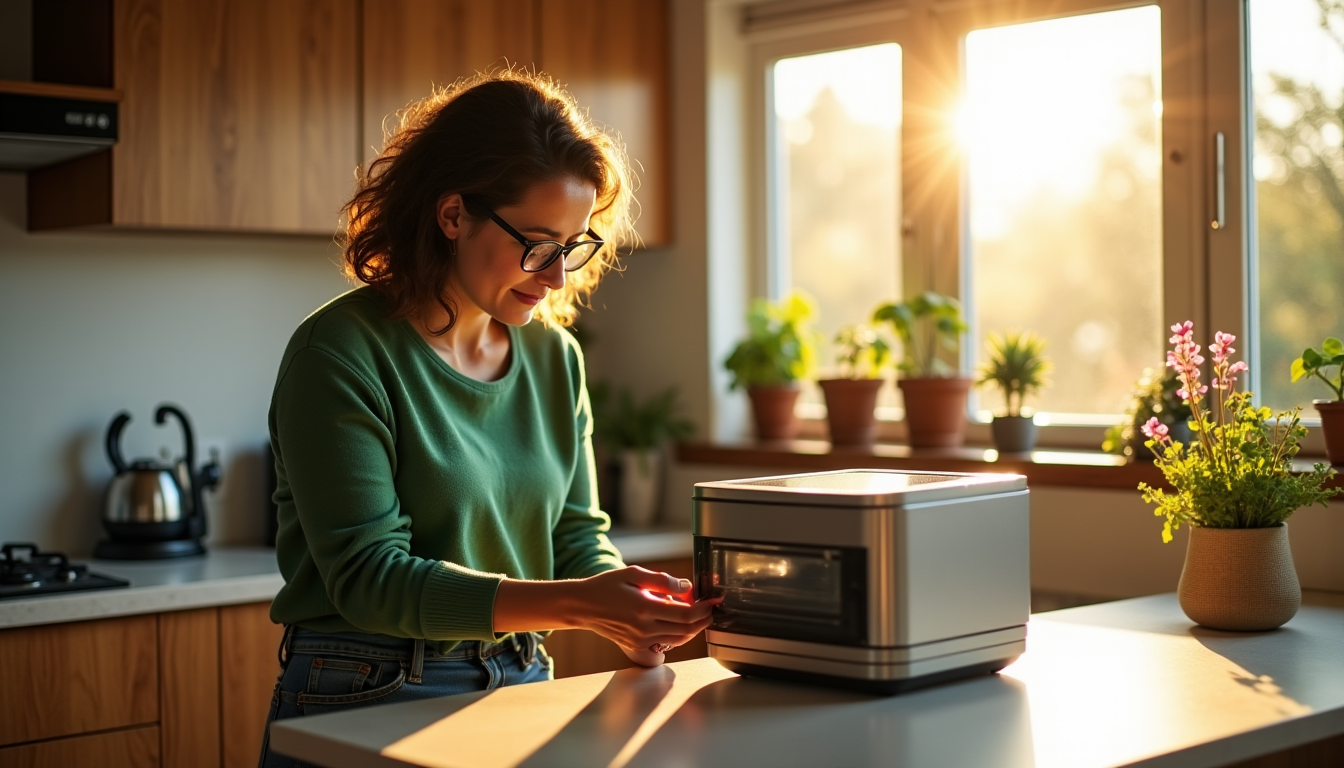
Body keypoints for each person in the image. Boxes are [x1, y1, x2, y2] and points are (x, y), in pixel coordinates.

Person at [257, 70, 716, 767]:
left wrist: (633, 609)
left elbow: (572, 534)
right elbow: (370, 577)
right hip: (367, 687)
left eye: (573, 245)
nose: (558, 275)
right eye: (537, 243)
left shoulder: (555, 359)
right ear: (452, 216)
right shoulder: (341, 353)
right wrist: (578, 604)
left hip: (525, 676)